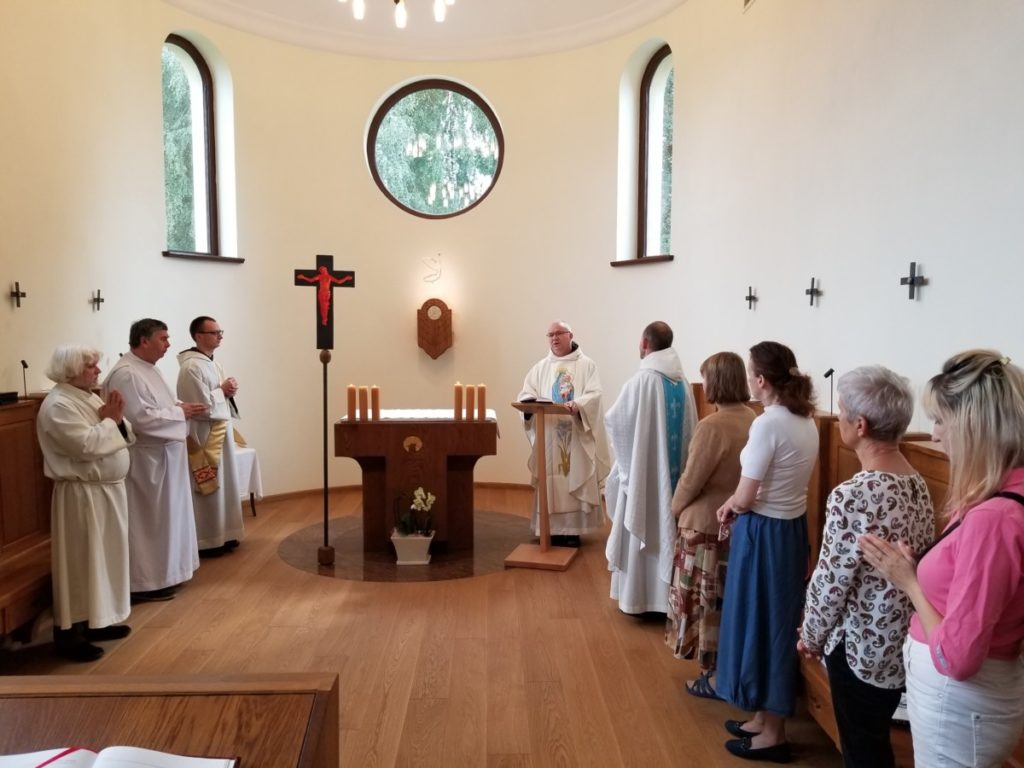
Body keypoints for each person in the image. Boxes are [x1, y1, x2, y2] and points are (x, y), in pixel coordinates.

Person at [861, 350, 1024, 768]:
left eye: (940, 421)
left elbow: (957, 657)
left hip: (961, 703)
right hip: (974, 700)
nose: (933, 436)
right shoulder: (997, 494)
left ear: (974, 428)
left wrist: (909, 581)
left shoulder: (996, 516)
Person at [797, 366, 934, 768]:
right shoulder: (916, 481)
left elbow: (831, 580)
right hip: (899, 644)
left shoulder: (854, 493)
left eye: (840, 410)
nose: (837, 418)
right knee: (873, 743)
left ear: (860, 424)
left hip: (858, 649)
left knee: (862, 752)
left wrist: (811, 634)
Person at [713, 341, 819, 764]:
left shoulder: (768, 424)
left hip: (764, 534)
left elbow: (747, 493)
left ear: (760, 380)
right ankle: (762, 715)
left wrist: (728, 506)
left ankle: (774, 733)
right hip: (789, 530)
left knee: (767, 626)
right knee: (769, 622)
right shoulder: (804, 418)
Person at [36, 345, 135, 661]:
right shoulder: (58, 405)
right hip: (81, 496)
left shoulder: (87, 396)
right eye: (90, 365)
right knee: (81, 563)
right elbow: (86, 445)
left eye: (95, 363)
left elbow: (125, 433)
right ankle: (70, 635)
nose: (97, 369)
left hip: (106, 492)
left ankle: (98, 620)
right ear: (69, 371)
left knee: (105, 559)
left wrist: (115, 421)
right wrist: (111, 422)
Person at [665, 351, 755, 697]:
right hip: (736, 525)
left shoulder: (711, 425)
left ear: (715, 383)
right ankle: (724, 671)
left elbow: (692, 479)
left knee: (703, 604)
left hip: (702, 526)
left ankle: (710, 675)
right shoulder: (751, 418)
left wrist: (674, 508)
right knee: (723, 599)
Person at [103, 318, 206, 601]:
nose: (168, 344)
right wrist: (180, 413)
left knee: (168, 520)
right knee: (149, 523)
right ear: (144, 341)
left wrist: (178, 408)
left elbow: (160, 406)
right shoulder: (126, 374)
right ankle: (144, 582)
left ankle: (168, 573)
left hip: (166, 457)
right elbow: (139, 419)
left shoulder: (148, 369)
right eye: (163, 338)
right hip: (147, 460)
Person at [604, 322, 697, 616]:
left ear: (644, 343)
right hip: (674, 479)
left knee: (642, 518)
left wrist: (628, 466)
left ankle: (638, 600)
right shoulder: (683, 383)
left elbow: (616, 422)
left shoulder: (641, 382)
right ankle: (664, 599)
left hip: (646, 476)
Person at [518, 320, 610, 546]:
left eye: (559, 333)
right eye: (550, 334)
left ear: (571, 335)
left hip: (575, 434)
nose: (554, 338)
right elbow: (526, 393)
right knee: (551, 478)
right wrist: (527, 407)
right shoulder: (540, 367)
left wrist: (578, 405)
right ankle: (551, 529)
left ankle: (571, 532)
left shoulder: (587, 365)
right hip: (548, 432)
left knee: (573, 476)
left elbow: (594, 395)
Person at [177, 316, 245, 555]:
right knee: (208, 485)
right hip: (204, 432)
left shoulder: (210, 363)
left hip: (218, 430)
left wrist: (228, 391)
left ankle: (226, 533)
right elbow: (198, 405)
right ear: (198, 336)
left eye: (220, 331)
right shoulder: (191, 367)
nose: (220, 336)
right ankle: (207, 539)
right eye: (214, 332)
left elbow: (216, 395)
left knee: (224, 483)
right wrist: (222, 391)